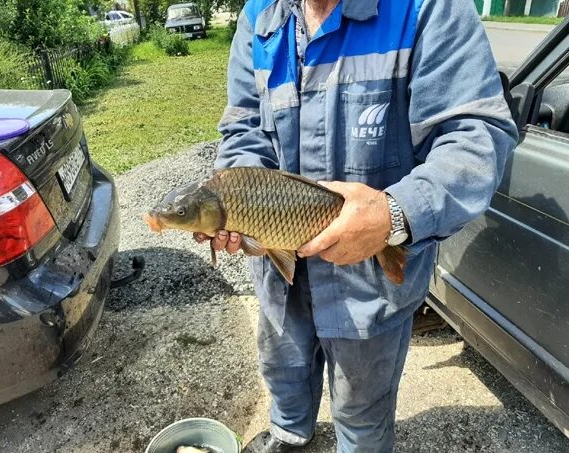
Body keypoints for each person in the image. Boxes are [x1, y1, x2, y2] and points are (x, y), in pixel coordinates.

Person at [197, 0, 519, 451]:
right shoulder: (259, 17)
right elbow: (244, 131)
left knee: (361, 413)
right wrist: (242, 202)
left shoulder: (428, 9)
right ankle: (290, 435)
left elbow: (477, 136)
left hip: (367, 286)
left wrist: (395, 213)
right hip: (278, 269)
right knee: (283, 375)